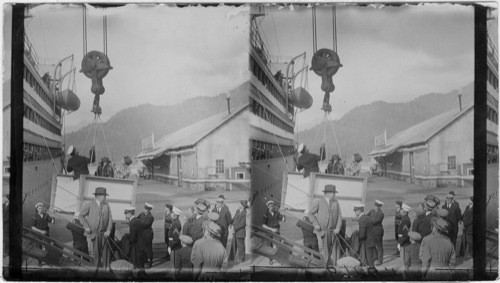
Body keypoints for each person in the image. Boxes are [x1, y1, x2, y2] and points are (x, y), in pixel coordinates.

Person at [308, 185, 343, 267]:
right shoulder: (319, 201)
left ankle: (335, 267)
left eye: (334, 193)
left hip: (333, 232)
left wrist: (338, 228)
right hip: (323, 231)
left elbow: (339, 217)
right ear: (327, 193)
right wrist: (315, 224)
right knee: (325, 251)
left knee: (335, 250)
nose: (334, 195)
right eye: (333, 193)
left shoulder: (336, 203)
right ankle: (325, 268)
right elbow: (310, 213)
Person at [78, 187, 113, 268]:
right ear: (98, 196)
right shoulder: (90, 204)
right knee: (96, 252)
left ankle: (106, 269)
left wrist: (108, 230)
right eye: (104, 195)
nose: (105, 197)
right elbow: (81, 216)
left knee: (106, 252)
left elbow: (110, 218)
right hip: (94, 233)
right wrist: (86, 226)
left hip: (104, 233)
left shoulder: (106, 205)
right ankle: (97, 268)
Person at [262, 200, 286, 265]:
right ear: (268, 207)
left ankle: (279, 259)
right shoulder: (265, 214)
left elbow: (283, 220)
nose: (271, 207)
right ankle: (270, 259)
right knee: (269, 245)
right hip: (269, 230)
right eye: (270, 206)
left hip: (276, 229)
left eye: (272, 206)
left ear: (274, 206)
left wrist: (284, 215)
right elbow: (263, 225)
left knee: (278, 244)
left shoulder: (277, 212)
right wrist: (271, 229)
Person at [354, 203, 376, 267]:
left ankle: (372, 271)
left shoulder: (361, 219)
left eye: (355, 211)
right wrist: (359, 232)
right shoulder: (367, 217)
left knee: (369, 258)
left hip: (367, 241)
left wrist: (358, 238)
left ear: (358, 211)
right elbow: (367, 229)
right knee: (370, 257)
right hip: (372, 240)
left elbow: (363, 234)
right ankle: (371, 270)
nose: (355, 213)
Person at [368, 200, 384, 265]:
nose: (374, 206)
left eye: (376, 206)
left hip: (378, 232)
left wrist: (367, 220)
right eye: (374, 205)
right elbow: (367, 216)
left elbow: (374, 221)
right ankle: (375, 258)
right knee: (373, 245)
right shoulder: (372, 211)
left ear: (379, 207)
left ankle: (380, 260)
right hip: (372, 231)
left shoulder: (381, 214)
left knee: (379, 246)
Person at [138, 203, 154, 268]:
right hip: (142, 234)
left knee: (149, 249)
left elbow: (145, 225)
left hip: (148, 235)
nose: (145, 210)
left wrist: (136, 224)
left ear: (149, 210)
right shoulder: (141, 214)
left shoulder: (151, 217)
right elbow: (137, 219)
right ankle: (144, 261)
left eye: (146, 209)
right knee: (142, 248)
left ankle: (149, 263)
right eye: (144, 208)